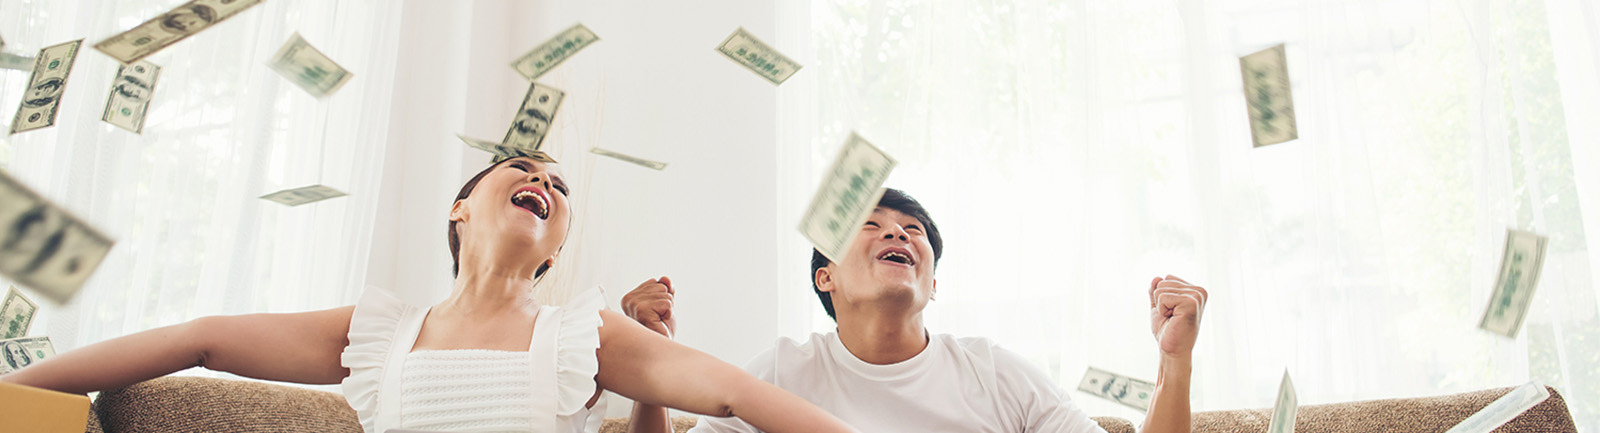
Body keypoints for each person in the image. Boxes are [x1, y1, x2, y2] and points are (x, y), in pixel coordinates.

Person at [0, 156, 858, 433]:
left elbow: (739, 394)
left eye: (560, 187)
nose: (542, 180)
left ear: (558, 245)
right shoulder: (381, 332)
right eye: (521, 170)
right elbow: (201, 339)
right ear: (460, 210)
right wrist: (14, 399)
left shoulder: (578, 332)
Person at [624, 188, 1209, 433]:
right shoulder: (779, 371)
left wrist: (1173, 363)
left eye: (913, 231)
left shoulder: (993, 371)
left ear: (934, 282)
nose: (897, 235)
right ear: (824, 277)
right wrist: (647, 370)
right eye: (870, 227)